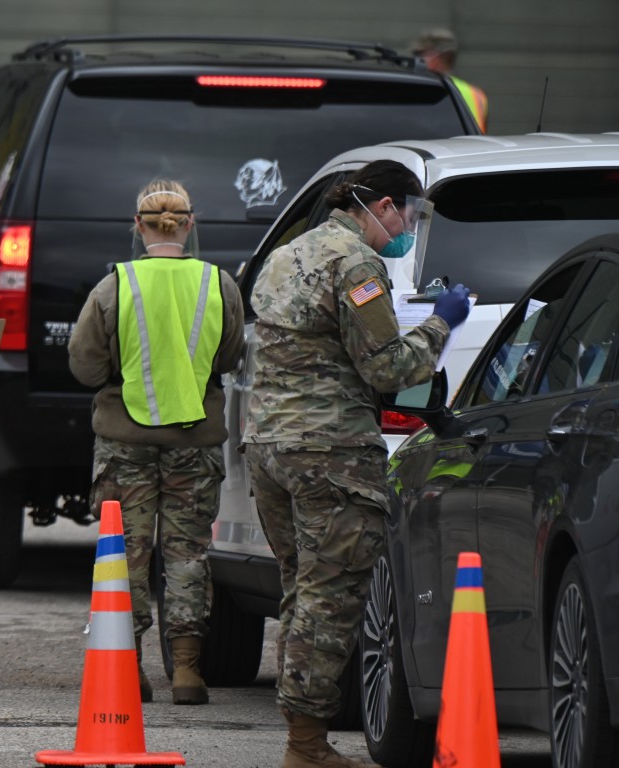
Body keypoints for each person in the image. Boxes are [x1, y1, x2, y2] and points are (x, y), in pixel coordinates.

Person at [243, 160, 471, 768]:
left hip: (267, 446)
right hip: (329, 452)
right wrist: (443, 322)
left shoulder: (287, 255)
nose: (408, 230)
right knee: (332, 596)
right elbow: (388, 368)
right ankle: (306, 745)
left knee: (302, 587)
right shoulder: (357, 264)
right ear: (385, 205)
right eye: (411, 216)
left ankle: (302, 731)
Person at [66, 179, 244, 706]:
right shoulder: (220, 284)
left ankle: (129, 667)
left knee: (126, 553)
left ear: (137, 227)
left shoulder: (113, 286)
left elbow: (83, 363)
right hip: (196, 437)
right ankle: (187, 671)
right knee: (188, 553)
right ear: (190, 226)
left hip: (125, 440)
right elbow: (230, 354)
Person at [413, 28, 488, 132]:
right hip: (471, 147)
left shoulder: (421, 89)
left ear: (438, 57)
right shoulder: (476, 94)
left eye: (421, 54)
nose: (417, 59)